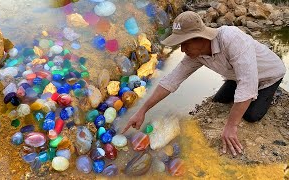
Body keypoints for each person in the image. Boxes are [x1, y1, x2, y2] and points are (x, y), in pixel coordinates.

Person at [122, 11, 286, 156]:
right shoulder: (196, 54)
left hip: (268, 75)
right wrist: (142, 110)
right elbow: (171, 80)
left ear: (200, 37)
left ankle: (274, 93)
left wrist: (231, 126)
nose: (182, 50)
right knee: (219, 100)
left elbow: (247, 86)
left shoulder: (232, 40)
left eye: (185, 43)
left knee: (250, 115)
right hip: (237, 75)